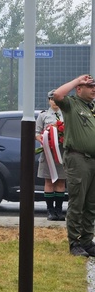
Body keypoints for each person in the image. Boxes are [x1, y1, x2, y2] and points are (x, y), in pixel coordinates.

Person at [52, 74, 95, 257]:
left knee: (91, 204)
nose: (94, 89)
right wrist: (78, 80)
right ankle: (74, 242)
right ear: (79, 89)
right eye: (90, 86)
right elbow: (57, 96)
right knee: (77, 202)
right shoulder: (72, 104)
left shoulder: (92, 107)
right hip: (78, 159)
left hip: (93, 160)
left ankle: (87, 240)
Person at [35, 90, 66, 221]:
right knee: (48, 180)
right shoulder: (43, 115)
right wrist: (45, 140)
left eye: (56, 99)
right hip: (48, 153)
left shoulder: (66, 114)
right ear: (48, 100)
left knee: (61, 181)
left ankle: (59, 210)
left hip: (63, 153)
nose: (54, 101)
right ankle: (50, 211)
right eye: (52, 99)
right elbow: (36, 132)